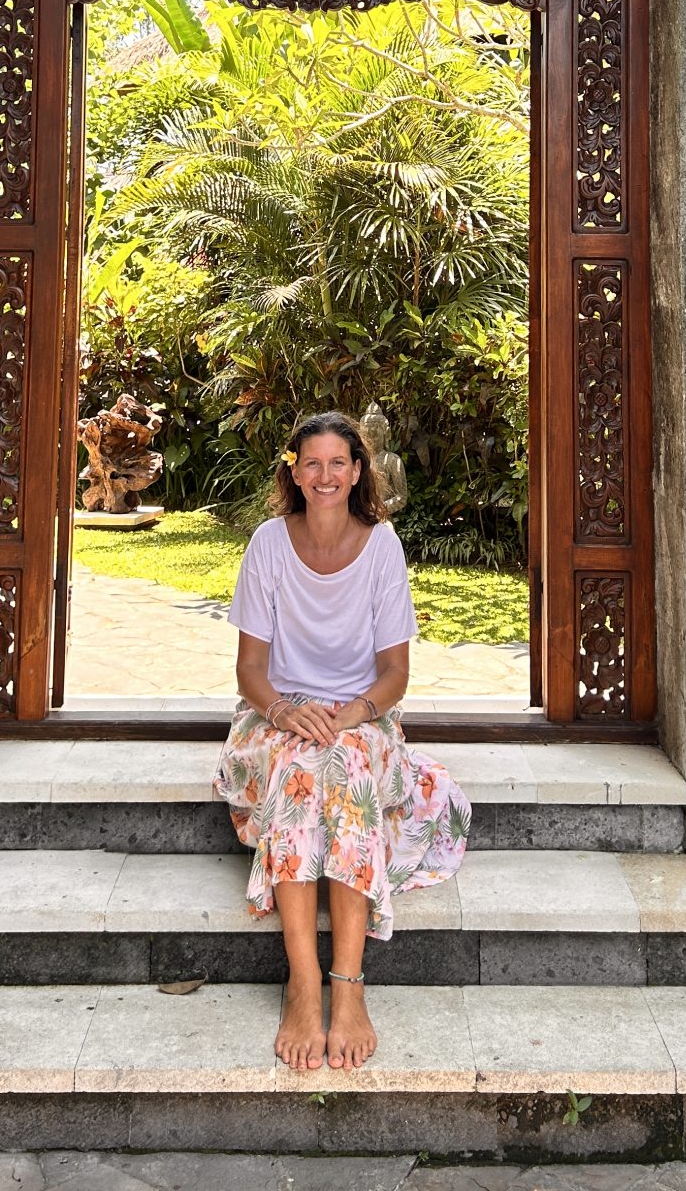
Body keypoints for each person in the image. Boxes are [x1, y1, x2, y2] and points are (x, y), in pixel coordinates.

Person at [213, 410, 471, 1073]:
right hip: (275, 718)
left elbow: (395, 675)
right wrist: (285, 709)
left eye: (338, 463)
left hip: (362, 719)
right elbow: (249, 670)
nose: (324, 476)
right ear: (293, 472)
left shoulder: (382, 545)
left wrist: (350, 714)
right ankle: (303, 982)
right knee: (304, 763)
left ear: (358, 471)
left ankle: (348, 985)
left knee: (345, 765)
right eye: (312, 463)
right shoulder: (269, 543)